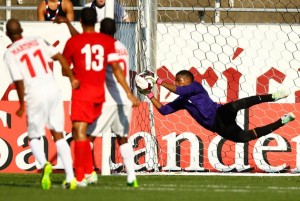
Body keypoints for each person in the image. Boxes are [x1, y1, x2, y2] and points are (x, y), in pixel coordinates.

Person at [54, 16, 139, 187]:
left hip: (107, 98)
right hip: (123, 99)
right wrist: (130, 94)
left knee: (85, 137)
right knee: (123, 138)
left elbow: (84, 44)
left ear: (100, 31)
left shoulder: (102, 45)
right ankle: (132, 177)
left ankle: (86, 174)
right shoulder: (121, 47)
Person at [4, 19, 79, 190]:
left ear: (7, 35)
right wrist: (72, 77)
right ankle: (70, 177)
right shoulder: (37, 40)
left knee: (34, 137)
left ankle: (44, 163)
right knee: (58, 134)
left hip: (34, 94)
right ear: (22, 31)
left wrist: (22, 104)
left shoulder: (10, 53)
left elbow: (19, 81)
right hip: (53, 89)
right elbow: (59, 56)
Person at [138, 69, 296, 143]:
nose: (176, 83)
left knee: (235, 106)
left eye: (178, 80)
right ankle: (282, 121)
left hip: (219, 113)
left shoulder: (195, 87)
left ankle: (273, 96)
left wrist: (157, 80)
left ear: (187, 81)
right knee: (244, 138)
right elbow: (164, 111)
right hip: (217, 126)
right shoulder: (182, 101)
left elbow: (178, 89)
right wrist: (149, 95)